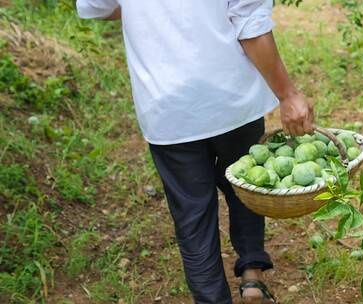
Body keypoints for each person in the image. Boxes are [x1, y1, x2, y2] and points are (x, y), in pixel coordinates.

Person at [77, 1, 313, 303]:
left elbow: (98, 6)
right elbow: (250, 23)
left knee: (193, 216)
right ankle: (252, 275)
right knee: (247, 186)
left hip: (167, 106)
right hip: (231, 98)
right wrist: (288, 94)